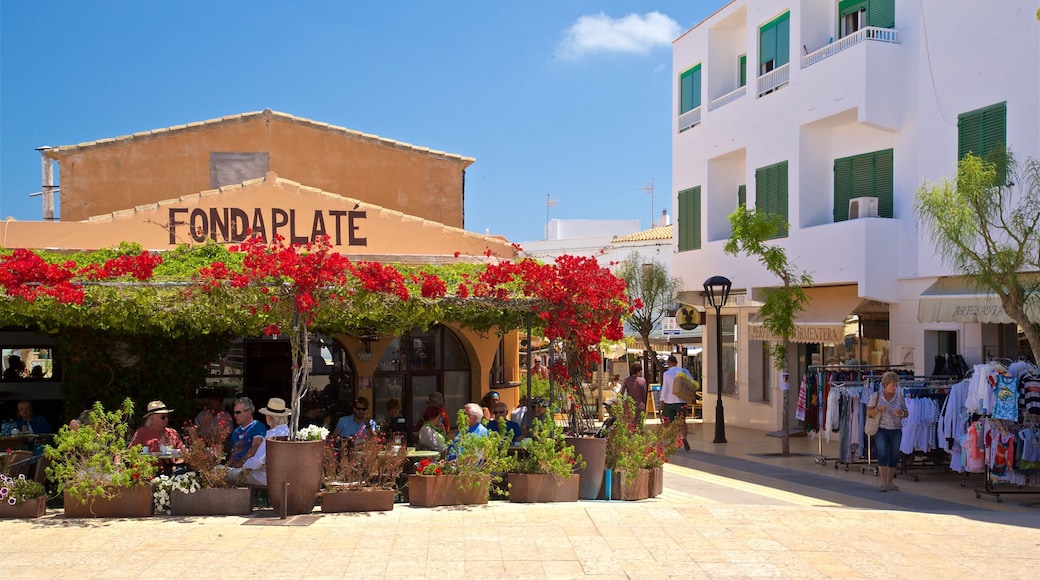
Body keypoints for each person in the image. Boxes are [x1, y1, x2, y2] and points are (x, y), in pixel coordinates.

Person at [224, 398, 291, 487]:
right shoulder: (288, 432)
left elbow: (257, 462)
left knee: (220, 471)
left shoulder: (272, 436)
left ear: (270, 417)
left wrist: (244, 464)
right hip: (284, 477)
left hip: (264, 477)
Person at [867, 371, 908, 492]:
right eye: (892, 385)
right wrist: (878, 409)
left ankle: (890, 482)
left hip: (896, 429)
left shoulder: (899, 396)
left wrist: (900, 413)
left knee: (894, 456)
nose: (894, 387)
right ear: (885, 384)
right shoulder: (876, 396)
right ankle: (883, 482)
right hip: (881, 429)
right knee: (883, 454)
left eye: (896, 385)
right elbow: (868, 412)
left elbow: (906, 412)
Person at [660, 355, 694, 450]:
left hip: (668, 402)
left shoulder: (666, 374)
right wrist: (692, 396)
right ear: (676, 362)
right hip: (681, 401)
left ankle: (673, 440)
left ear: (669, 363)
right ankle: (684, 438)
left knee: (668, 423)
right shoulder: (684, 371)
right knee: (682, 422)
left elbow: (665, 388)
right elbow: (692, 383)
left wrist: (661, 402)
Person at [229, 397, 266, 468]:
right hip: (235, 468)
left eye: (238, 412)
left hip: (250, 468)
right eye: (234, 412)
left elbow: (255, 448)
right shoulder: (236, 431)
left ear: (249, 412)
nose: (235, 415)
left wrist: (241, 462)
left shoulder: (257, 427)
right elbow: (233, 453)